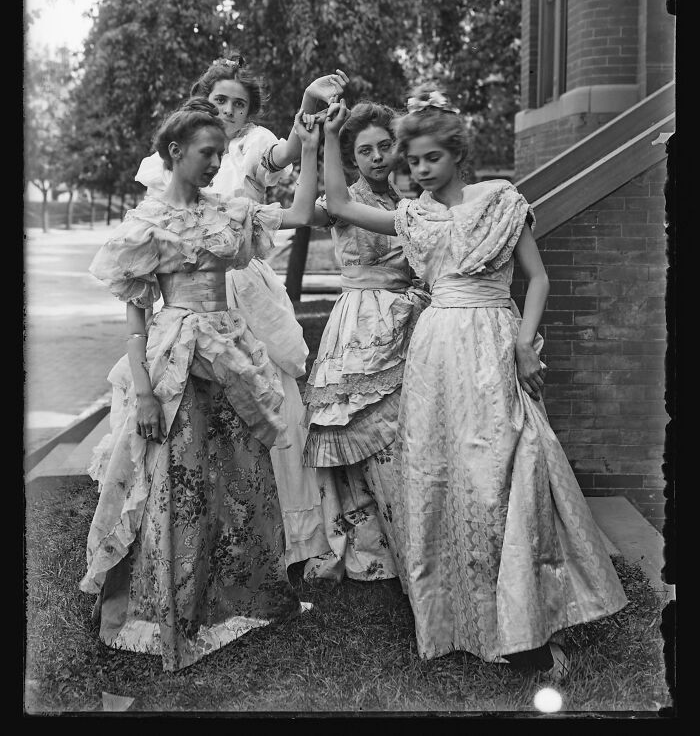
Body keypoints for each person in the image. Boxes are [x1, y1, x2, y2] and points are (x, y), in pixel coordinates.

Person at [321, 89, 628, 680]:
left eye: (429, 158)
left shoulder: (502, 203)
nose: (418, 170)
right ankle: (458, 622)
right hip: (436, 351)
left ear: (458, 154)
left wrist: (522, 344)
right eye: (411, 162)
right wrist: (332, 136)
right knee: (442, 476)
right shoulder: (415, 215)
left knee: (510, 469)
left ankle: (521, 626)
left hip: (493, 345)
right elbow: (336, 202)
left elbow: (537, 280)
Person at [80, 103, 321, 671]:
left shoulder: (230, 213)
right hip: (177, 355)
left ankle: (243, 594)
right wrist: (143, 394)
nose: (216, 163)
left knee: (240, 473)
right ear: (174, 154)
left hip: (231, 350)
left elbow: (304, 210)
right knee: (180, 479)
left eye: (220, 153)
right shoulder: (147, 223)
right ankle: (176, 603)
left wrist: (312, 139)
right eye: (206, 153)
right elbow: (137, 321)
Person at [103, 55, 348, 567]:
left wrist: (309, 126)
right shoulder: (162, 194)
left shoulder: (244, 180)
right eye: (221, 102)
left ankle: (268, 541)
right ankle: (171, 545)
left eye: (240, 105)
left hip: (237, 305)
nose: (230, 112)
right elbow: (142, 295)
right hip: (178, 318)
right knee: (181, 433)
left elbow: (293, 191)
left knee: (253, 419)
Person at [300, 101, 430, 583]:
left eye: (385, 146)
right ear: (352, 158)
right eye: (365, 150)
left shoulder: (412, 198)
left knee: (411, 430)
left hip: (414, 314)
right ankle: (370, 544)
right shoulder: (342, 198)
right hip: (362, 321)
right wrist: (328, 141)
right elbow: (318, 208)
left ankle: (415, 536)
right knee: (367, 432)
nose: (377, 157)